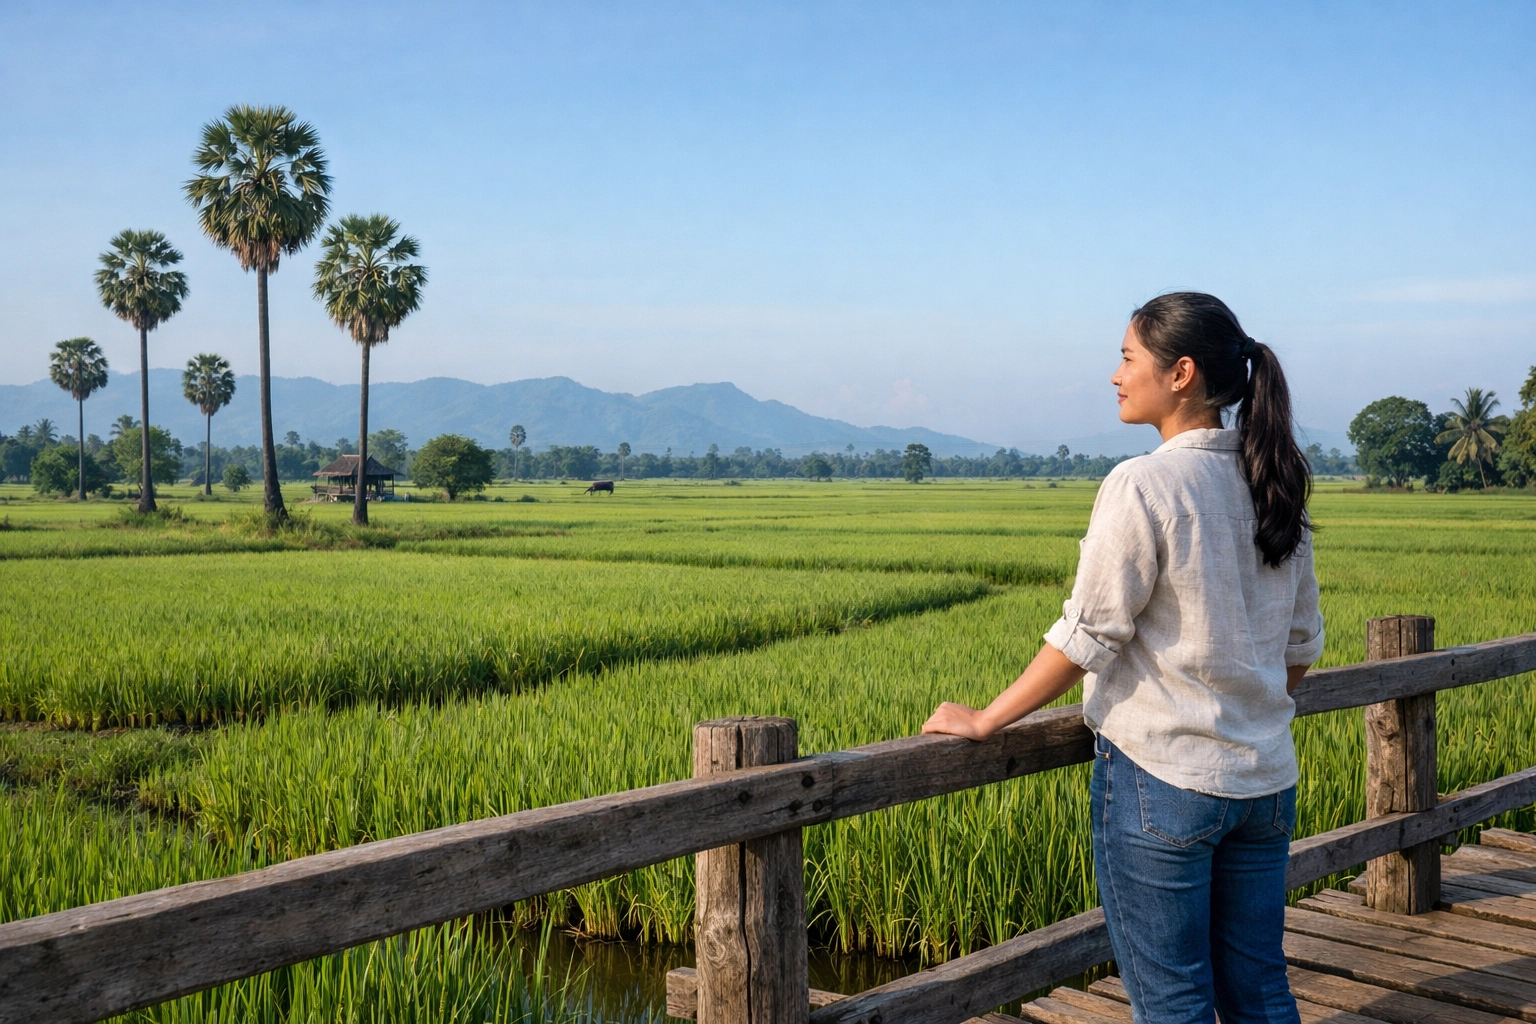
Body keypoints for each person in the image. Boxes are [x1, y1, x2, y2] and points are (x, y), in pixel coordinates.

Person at [923, 292, 1323, 1024]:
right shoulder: (1274, 477)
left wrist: (986, 719)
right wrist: (1247, 710)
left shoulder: (1145, 483)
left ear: (1181, 374)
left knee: (1173, 1001)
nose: (1114, 375)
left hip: (1164, 782)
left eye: (1127, 357)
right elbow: (1300, 646)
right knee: (1261, 989)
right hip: (1264, 783)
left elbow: (1089, 635)